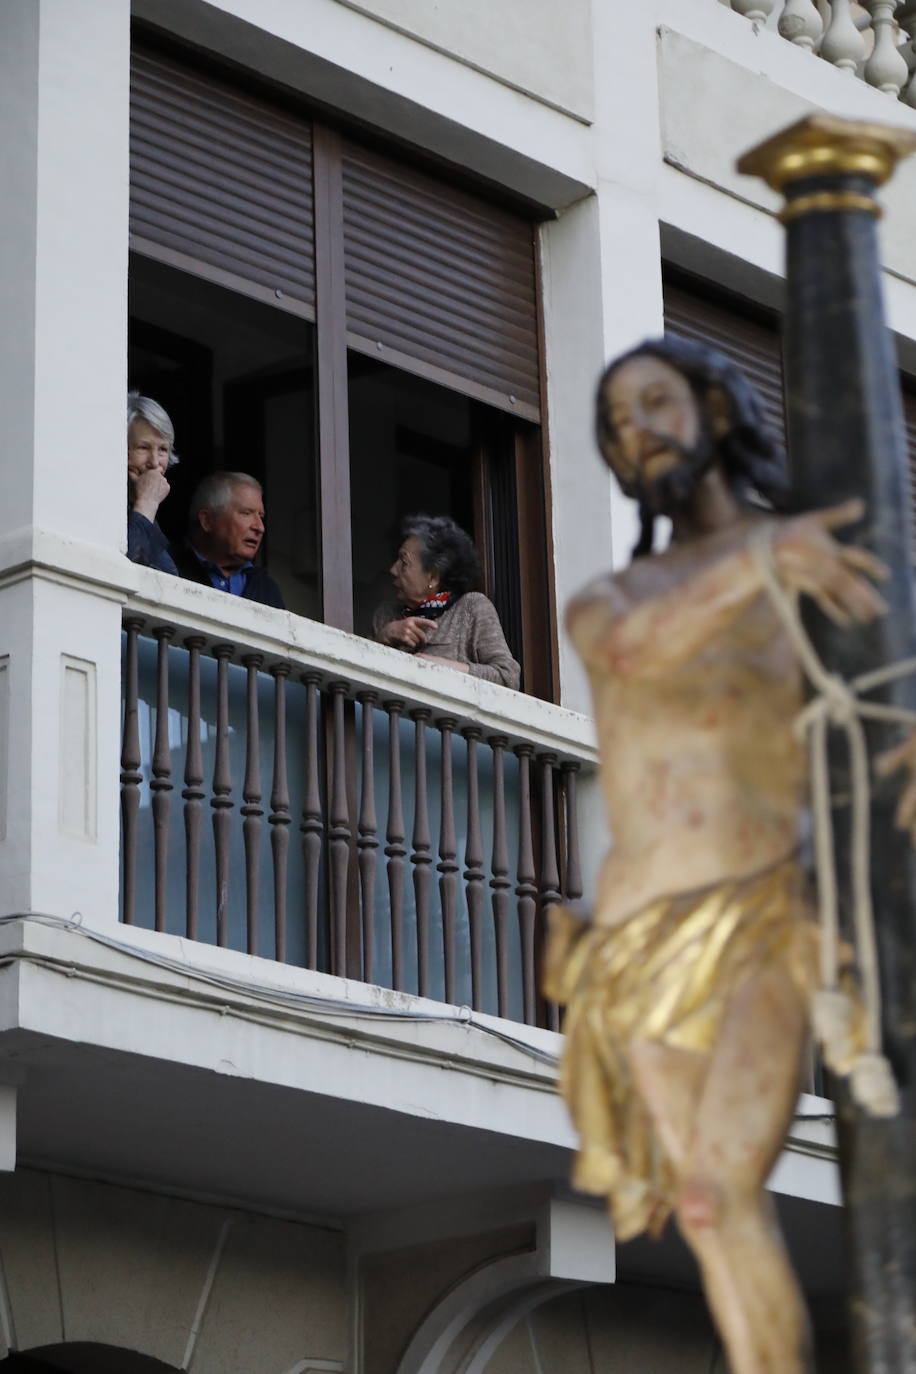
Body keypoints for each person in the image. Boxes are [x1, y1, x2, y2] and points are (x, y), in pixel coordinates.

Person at [545, 335, 901, 1374]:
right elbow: (632, 652)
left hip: (766, 914)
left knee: (712, 1186)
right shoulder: (614, 598)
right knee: (700, 1216)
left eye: (654, 404)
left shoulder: (809, 565)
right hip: (639, 940)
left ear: (712, 406)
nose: (638, 431)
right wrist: (760, 559)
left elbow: (884, 702)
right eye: (617, 423)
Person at [373, 515, 520, 690]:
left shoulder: (471, 608)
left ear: (433, 577)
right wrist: (383, 637)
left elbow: (508, 677)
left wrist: (448, 668)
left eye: (403, 562)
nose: (393, 569)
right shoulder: (386, 616)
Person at [171, 472, 285, 609]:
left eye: (261, 516)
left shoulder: (267, 589)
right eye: (246, 513)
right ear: (207, 521)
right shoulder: (167, 567)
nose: (259, 527)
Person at [127, 391, 179, 574]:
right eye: (143, 447)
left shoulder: (151, 518)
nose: (155, 463)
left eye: (163, 450)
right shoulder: (106, 507)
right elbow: (127, 569)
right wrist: (147, 502)